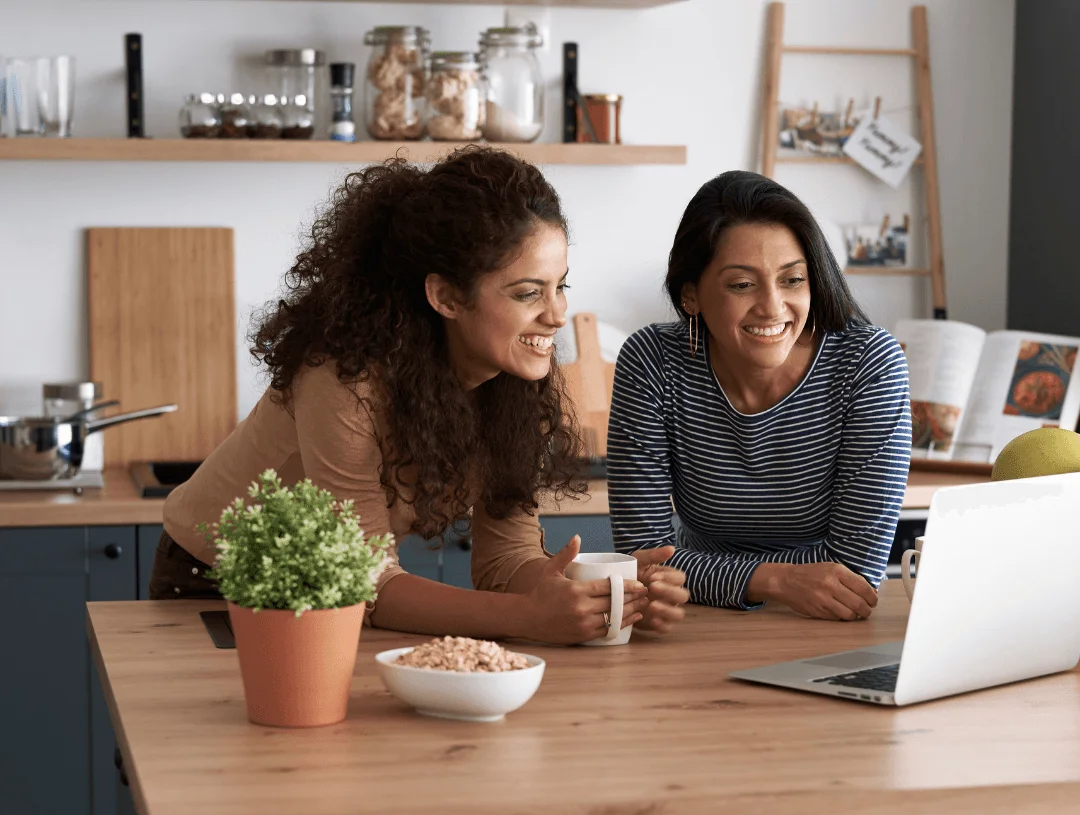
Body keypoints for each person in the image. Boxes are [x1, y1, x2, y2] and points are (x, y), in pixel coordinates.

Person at [151, 147, 689, 642]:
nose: (556, 315)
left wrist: (600, 586)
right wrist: (528, 618)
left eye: (560, 285)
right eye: (528, 292)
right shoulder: (343, 381)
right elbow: (366, 583)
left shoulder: (513, 381)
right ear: (447, 296)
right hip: (211, 585)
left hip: (330, 595)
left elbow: (506, 563)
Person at [607, 170, 911, 621]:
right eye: (742, 285)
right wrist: (774, 581)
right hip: (692, 622)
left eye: (792, 280)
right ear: (690, 295)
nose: (772, 306)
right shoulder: (653, 361)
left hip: (825, 623)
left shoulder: (867, 363)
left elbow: (855, 572)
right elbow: (643, 561)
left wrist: (697, 571)